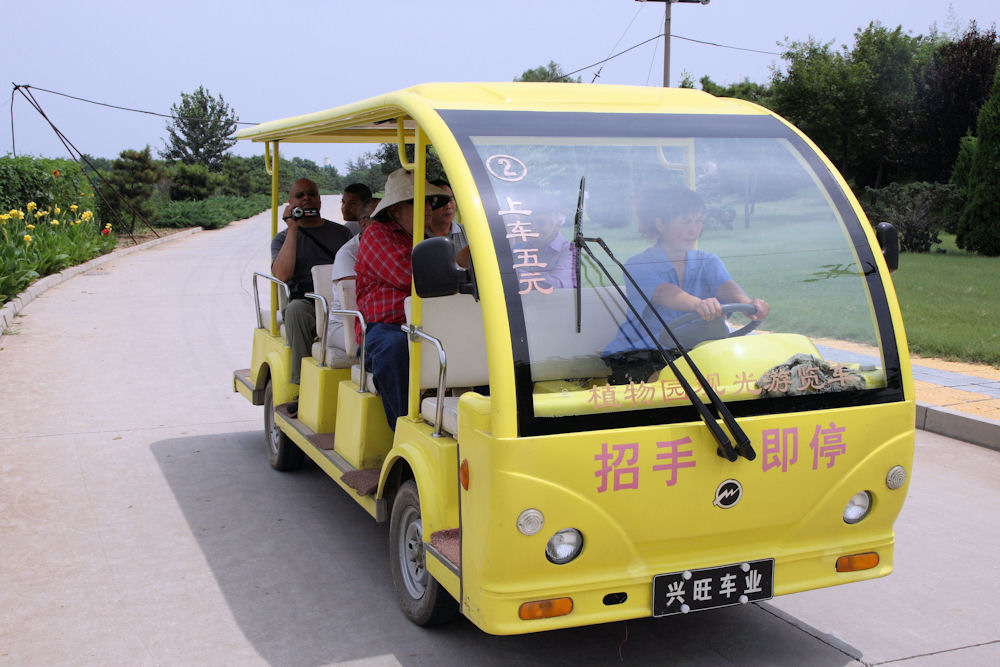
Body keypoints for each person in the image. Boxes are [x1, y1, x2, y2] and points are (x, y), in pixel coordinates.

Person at [602, 186, 769, 384]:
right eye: (686, 222)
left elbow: (726, 286)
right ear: (661, 224)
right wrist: (697, 305)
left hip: (691, 353)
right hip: (642, 355)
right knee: (675, 383)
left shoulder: (708, 261)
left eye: (698, 221)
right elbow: (665, 292)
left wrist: (748, 302)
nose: (694, 229)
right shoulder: (638, 265)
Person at [355, 169, 451, 429]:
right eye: (418, 201)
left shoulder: (428, 240)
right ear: (396, 210)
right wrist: (458, 263)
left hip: (426, 326)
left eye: (431, 201)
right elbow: (407, 277)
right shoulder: (377, 234)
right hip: (383, 329)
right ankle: (404, 429)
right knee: (395, 348)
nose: (429, 208)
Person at [270, 178, 353, 392]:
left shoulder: (341, 233)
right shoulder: (282, 239)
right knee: (295, 310)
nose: (306, 198)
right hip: (306, 301)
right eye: (300, 196)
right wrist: (292, 229)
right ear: (290, 203)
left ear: (319, 200)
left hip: (338, 300)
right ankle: (302, 387)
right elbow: (282, 274)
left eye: (312, 194)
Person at [325, 198, 380, 354]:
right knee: (384, 345)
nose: (391, 226)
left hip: (377, 321)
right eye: (382, 220)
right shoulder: (349, 253)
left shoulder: (392, 248)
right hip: (345, 324)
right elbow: (356, 301)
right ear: (364, 224)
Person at [502, 191, 574, 292]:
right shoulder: (521, 248)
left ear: (557, 225)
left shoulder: (570, 250)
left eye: (541, 223)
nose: (533, 227)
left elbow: (558, 286)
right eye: (529, 223)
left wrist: (517, 273)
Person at [428, 179, 470, 268]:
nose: (448, 206)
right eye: (441, 201)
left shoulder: (469, 233)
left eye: (451, 199)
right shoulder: (418, 236)